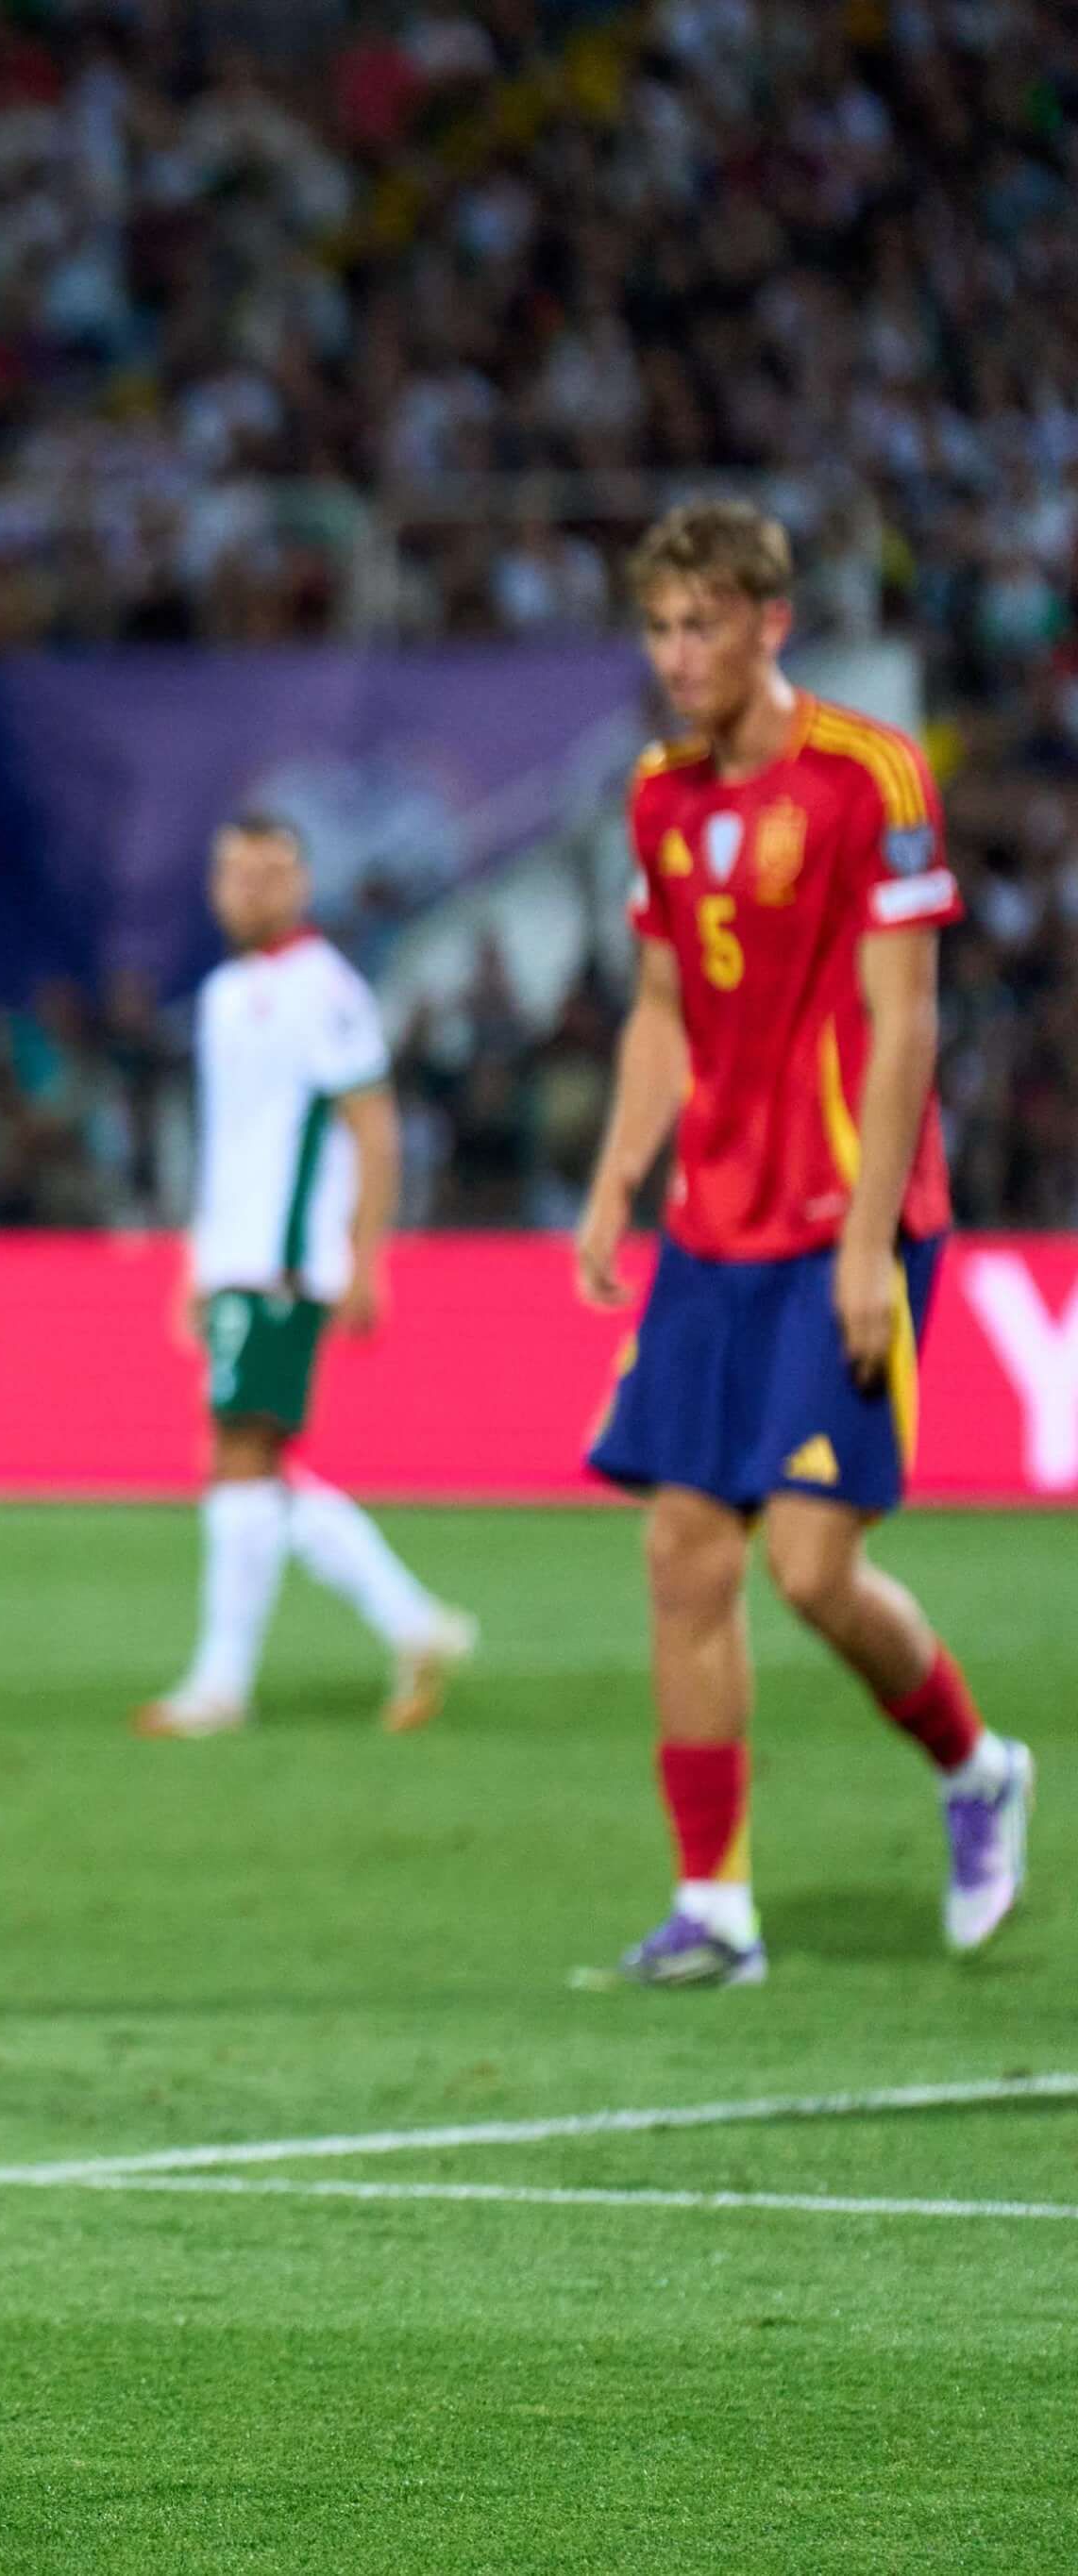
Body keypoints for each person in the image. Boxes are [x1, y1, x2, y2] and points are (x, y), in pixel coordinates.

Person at [577, 499, 1030, 1987]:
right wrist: (617, 1172)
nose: (679, 654)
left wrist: (867, 1238)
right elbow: (658, 1004)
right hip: (713, 1227)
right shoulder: (658, 794)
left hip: (850, 1219)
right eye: (660, 627)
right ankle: (715, 1905)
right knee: (682, 1554)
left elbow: (908, 1022)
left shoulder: (869, 778)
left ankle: (977, 1769)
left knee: (817, 1572)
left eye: (704, 623)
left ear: (774, 624)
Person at [136, 816, 478, 1738]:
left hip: (287, 1259)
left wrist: (366, 1257)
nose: (251, 890)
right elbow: (227, 1147)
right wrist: (195, 1262)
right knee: (254, 1461)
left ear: (301, 883)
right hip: (236, 1253)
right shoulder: (221, 994)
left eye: (270, 873)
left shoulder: (325, 989)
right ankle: (412, 1622)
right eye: (235, 873)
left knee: (238, 1454)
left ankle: (220, 1683)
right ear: (213, 887)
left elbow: (373, 1124)